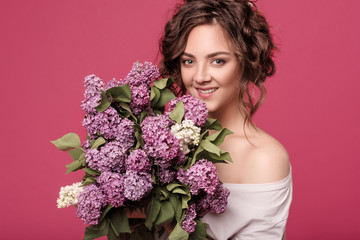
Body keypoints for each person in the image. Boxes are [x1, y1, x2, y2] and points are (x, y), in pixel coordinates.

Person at [159, 0, 293, 239]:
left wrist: (171, 225)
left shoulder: (265, 158)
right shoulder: (163, 144)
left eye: (217, 61)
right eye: (188, 61)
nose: (200, 77)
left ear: (246, 62)